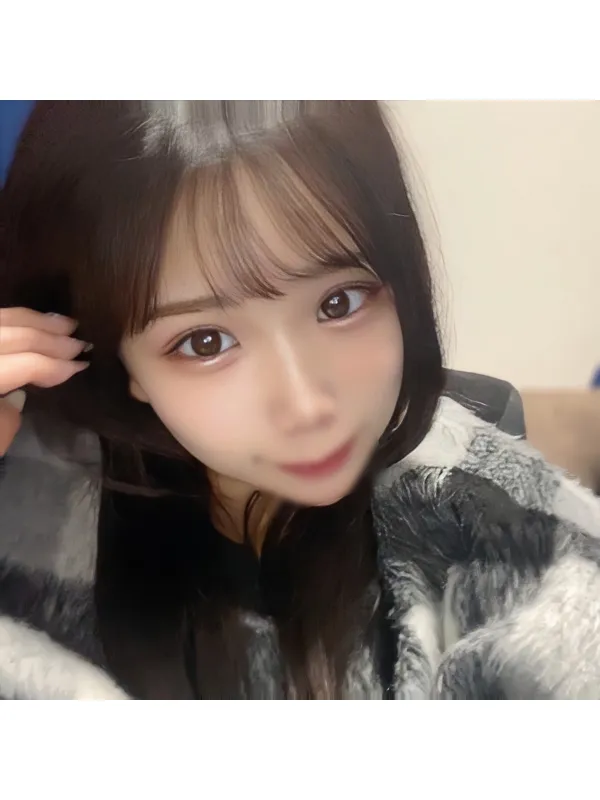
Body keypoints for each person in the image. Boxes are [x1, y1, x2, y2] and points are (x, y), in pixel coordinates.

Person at [1, 101, 600, 700]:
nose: (307, 404)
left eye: (340, 302)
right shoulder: (37, 496)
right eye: (206, 342)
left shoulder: (502, 535)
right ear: (114, 357)